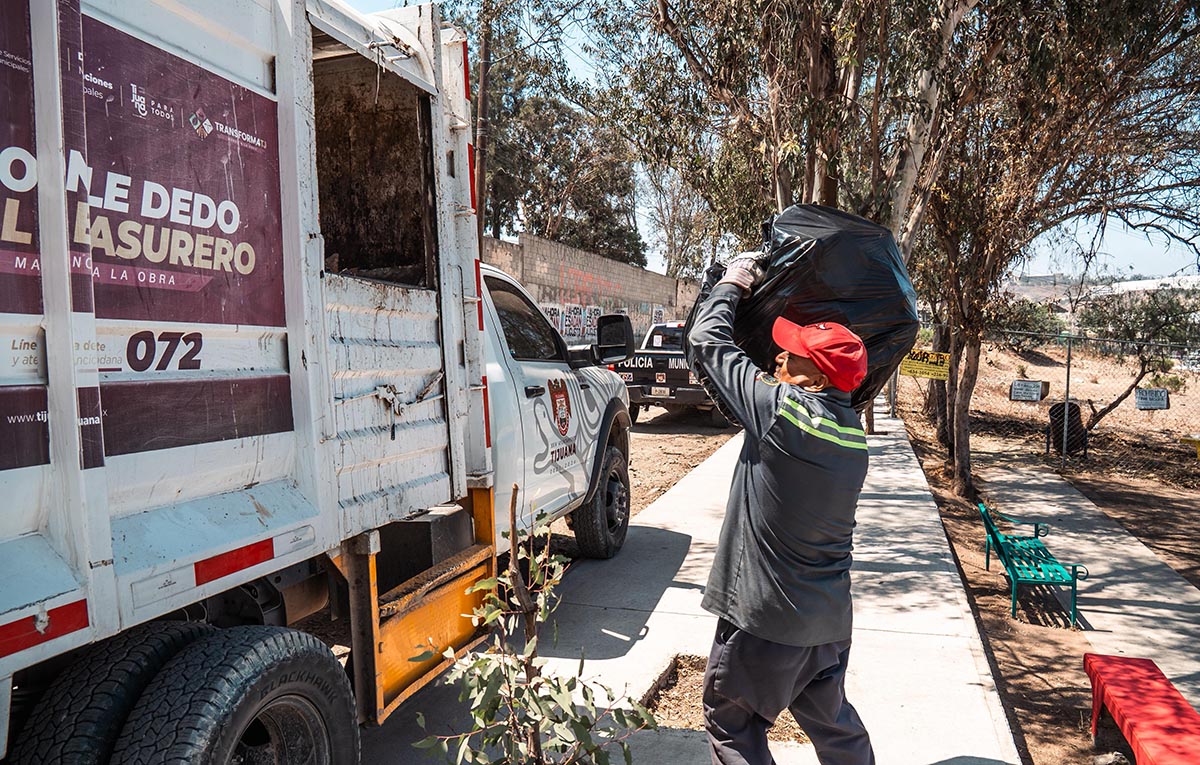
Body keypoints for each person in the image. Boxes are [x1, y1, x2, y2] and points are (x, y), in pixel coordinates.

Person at [687, 254, 875, 765]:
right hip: (827, 625)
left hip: (766, 622)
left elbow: (707, 341)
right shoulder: (853, 438)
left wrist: (731, 284)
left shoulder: (782, 412)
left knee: (732, 725)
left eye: (792, 357)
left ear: (815, 380)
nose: (777, 360)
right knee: (836, 729)